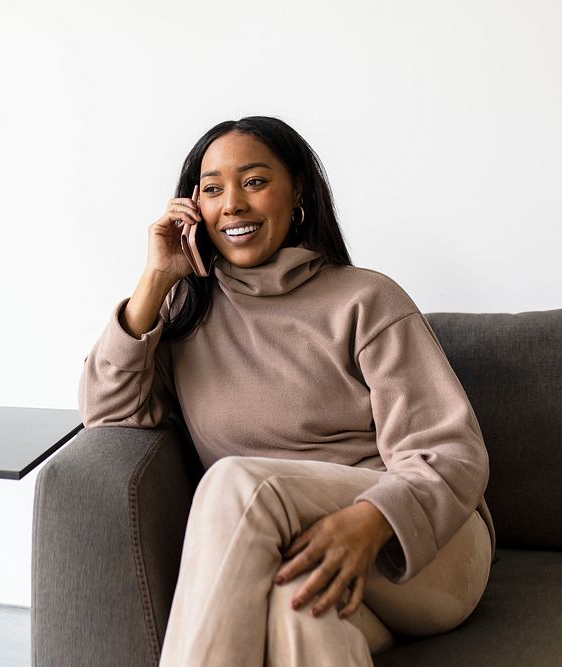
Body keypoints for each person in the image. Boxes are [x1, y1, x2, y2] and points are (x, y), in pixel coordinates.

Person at [76, 116, 495, 666]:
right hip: (295, 555)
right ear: (192, 206)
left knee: (238, 481)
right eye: (212, 188)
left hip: (419, 546)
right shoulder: (186, 314)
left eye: (253, 181)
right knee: (296, 608)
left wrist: (369, 519)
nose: (233, 204)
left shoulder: (367, 299)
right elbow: (107, 413)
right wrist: (155, 281)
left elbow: (452, 452)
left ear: (296, 191)